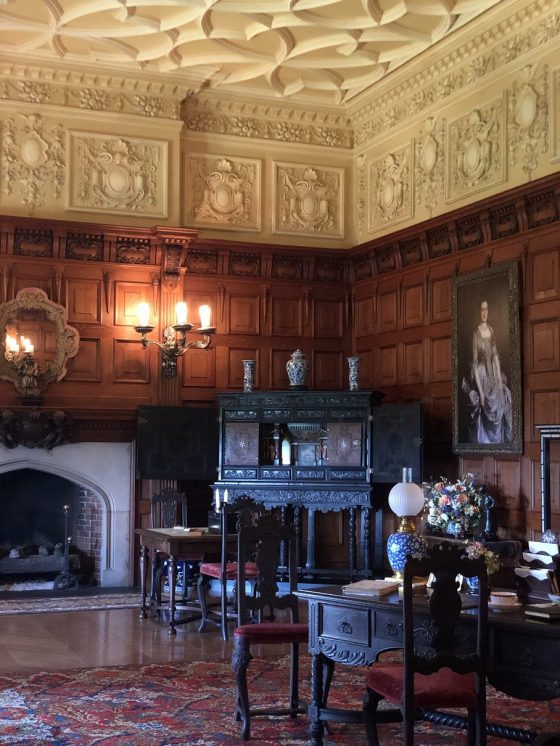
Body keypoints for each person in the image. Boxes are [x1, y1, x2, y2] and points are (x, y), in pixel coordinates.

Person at [462, 299, 513, 444]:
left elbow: (495, 355)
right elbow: (476, 362)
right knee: (484, 400)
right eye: (482, 309)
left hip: (493, 373)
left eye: (486, 309)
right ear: (479, 312)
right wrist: (482, 394)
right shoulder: (476, 333)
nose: (484, 312)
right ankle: (484, 441)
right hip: (481, 373)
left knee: (504, 394)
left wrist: (498, 379)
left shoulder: (491, 330)